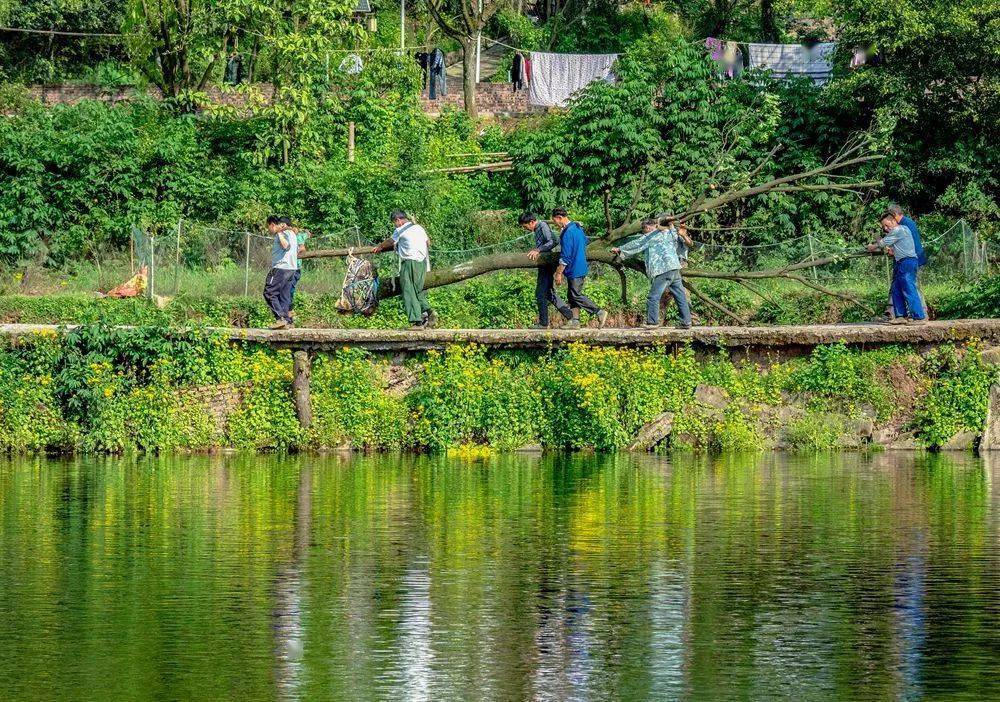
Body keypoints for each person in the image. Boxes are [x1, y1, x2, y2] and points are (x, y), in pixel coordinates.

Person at [612, 217, 693, 329]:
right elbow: (683, 241)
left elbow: (637, 244)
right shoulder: (670, 232)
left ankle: (653, 322)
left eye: (643, 229)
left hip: (663, 269)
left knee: (653, 296)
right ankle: (686, 322)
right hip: (675, 268)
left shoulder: (652, 235)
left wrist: (620, 249)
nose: (643, 232)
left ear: (648, 227)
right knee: (680, 295)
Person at [373, 210, 437, 329]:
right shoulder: (419, 227)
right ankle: (428, 313)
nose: (395, 225)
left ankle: (417, 321)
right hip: (422, 262)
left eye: (394, 222)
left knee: (408, 290)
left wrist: (380, 247)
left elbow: (390, 241)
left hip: (409, 262)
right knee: (417, 290)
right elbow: (428, 242)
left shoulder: (400, 230)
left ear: (398, 220)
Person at [552, 207, 608, 329]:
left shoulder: (568, 232)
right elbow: (585, 242)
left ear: (559, 218)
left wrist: (558, 273)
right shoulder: (577, 228)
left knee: (576, 294)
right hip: (580, 266)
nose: (555, 224)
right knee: (571, 295)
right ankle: (575, 321)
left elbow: (565, 256)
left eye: (555, 221)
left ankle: (599, 312)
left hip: (574, 268)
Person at [867, 211, 926, 324]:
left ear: (893, 221)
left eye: (886, 225)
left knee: (908, 288)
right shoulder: (899, 231)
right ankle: (900, 316)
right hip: (901, 262)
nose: (885, 228)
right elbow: (895, 246)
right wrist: (892, 250)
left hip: (907, 262)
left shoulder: (899, 230)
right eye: (883, 226)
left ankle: (919, 317)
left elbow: (882, 243)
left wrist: (872, 246)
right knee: (896, 288)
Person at [520, 212, 573, 328]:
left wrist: (538, 250)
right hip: (544, 264)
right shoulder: (537, 228)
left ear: (532, 222)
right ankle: (570, 316)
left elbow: (553, 241)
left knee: (540, 293)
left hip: (547, 264)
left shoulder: (542, 226)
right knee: (548, 293)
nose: (525, 229)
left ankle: (543, 323)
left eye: (525, 226)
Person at [263, 215, 298, 330]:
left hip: (280, 268)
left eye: (269, 227)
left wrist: (279, 233)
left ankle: (280, 319)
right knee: (284, 295)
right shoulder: (292, 234)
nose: (269, 230)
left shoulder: (282, 233)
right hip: (291, 268)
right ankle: (287, 322)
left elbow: (286, 246)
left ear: (273, 224)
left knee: (269, 293)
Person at [285, 218, 310, 321]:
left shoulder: (298, 237)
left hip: (295, 268)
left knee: (289, 291)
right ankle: (287, 315)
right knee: (286, 291)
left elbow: (303, 248)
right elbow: (308, 234)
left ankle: (289, 315)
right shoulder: (287, 236)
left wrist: (294, 252)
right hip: (287, 267)